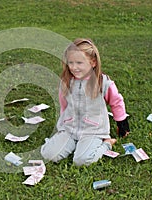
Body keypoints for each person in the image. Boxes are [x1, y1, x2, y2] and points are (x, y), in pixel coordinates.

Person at [40, 38, 130, 166]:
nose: (74, 67)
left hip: (92, 130)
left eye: (79, 63)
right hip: (70, 129)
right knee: (48, 154)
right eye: (70, 63)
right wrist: (63, 125)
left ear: (93, 62)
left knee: (81, 161)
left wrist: (122, 123)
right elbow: (63, 106)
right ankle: (71, 143)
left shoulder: (102, 82)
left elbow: (117, 102)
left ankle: (107, 143)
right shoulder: (66, 82)